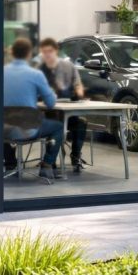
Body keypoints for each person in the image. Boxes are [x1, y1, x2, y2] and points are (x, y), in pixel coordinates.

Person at [4, 38, 65, 180]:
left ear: (12, 53)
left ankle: (10, 164)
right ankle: (47, 165)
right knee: (58, 127)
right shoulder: (36, 75)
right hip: (28, 128)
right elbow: (51, 103)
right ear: (29, 54)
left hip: (2, 128)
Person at [36, 37, 89, 173]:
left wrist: (79, 93)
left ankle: (76, 156)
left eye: (50, 51)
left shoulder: (69, 66)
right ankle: (51, 159)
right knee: (54, 124)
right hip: (47, 113)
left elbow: (78, 85)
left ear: (56, 51)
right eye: (44, 52)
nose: (47, 54)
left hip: (68, 109)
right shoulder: (39, 70)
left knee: (81, 123)